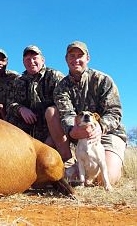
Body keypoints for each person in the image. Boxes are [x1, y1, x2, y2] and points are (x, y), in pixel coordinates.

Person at [53, 41, 127, 184]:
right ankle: (73, 163)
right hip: (80, 136)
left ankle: (113, 162)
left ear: (88, 58)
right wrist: (72, 130)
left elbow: (114, 112)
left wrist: (101, 127)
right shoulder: (61, 88)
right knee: (51, 111)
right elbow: (66, 113)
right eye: (72, 56)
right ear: (66, 59)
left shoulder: (103, 80)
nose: (76, 60)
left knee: (106, 179)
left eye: (80, 55)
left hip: (108, 134)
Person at [6, 45, 65, 147]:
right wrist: (21, 109)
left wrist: (53, 136)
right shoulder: (18, 81)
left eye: (34, 58)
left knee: (52, 111)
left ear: (42, 60)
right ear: (23, 62)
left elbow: (66, 105)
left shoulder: (55, 76)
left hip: (50, 130)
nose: (31, 61)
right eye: (28, 59)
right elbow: (9, 104)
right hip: (27, 130)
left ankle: (65, 154)